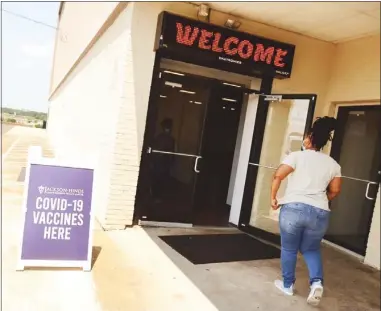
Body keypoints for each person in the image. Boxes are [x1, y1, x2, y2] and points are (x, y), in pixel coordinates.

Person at [271, 117, 342, 306]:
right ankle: (317, 283)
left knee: (289, 248)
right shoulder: (333, 164)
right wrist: (321, 201)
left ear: (309, 138)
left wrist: (273, 197)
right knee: (311, 249)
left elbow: (278, 175)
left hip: (293, 208)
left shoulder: (296, 156)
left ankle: (287, 285)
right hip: (320, 211)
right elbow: (335, 190)